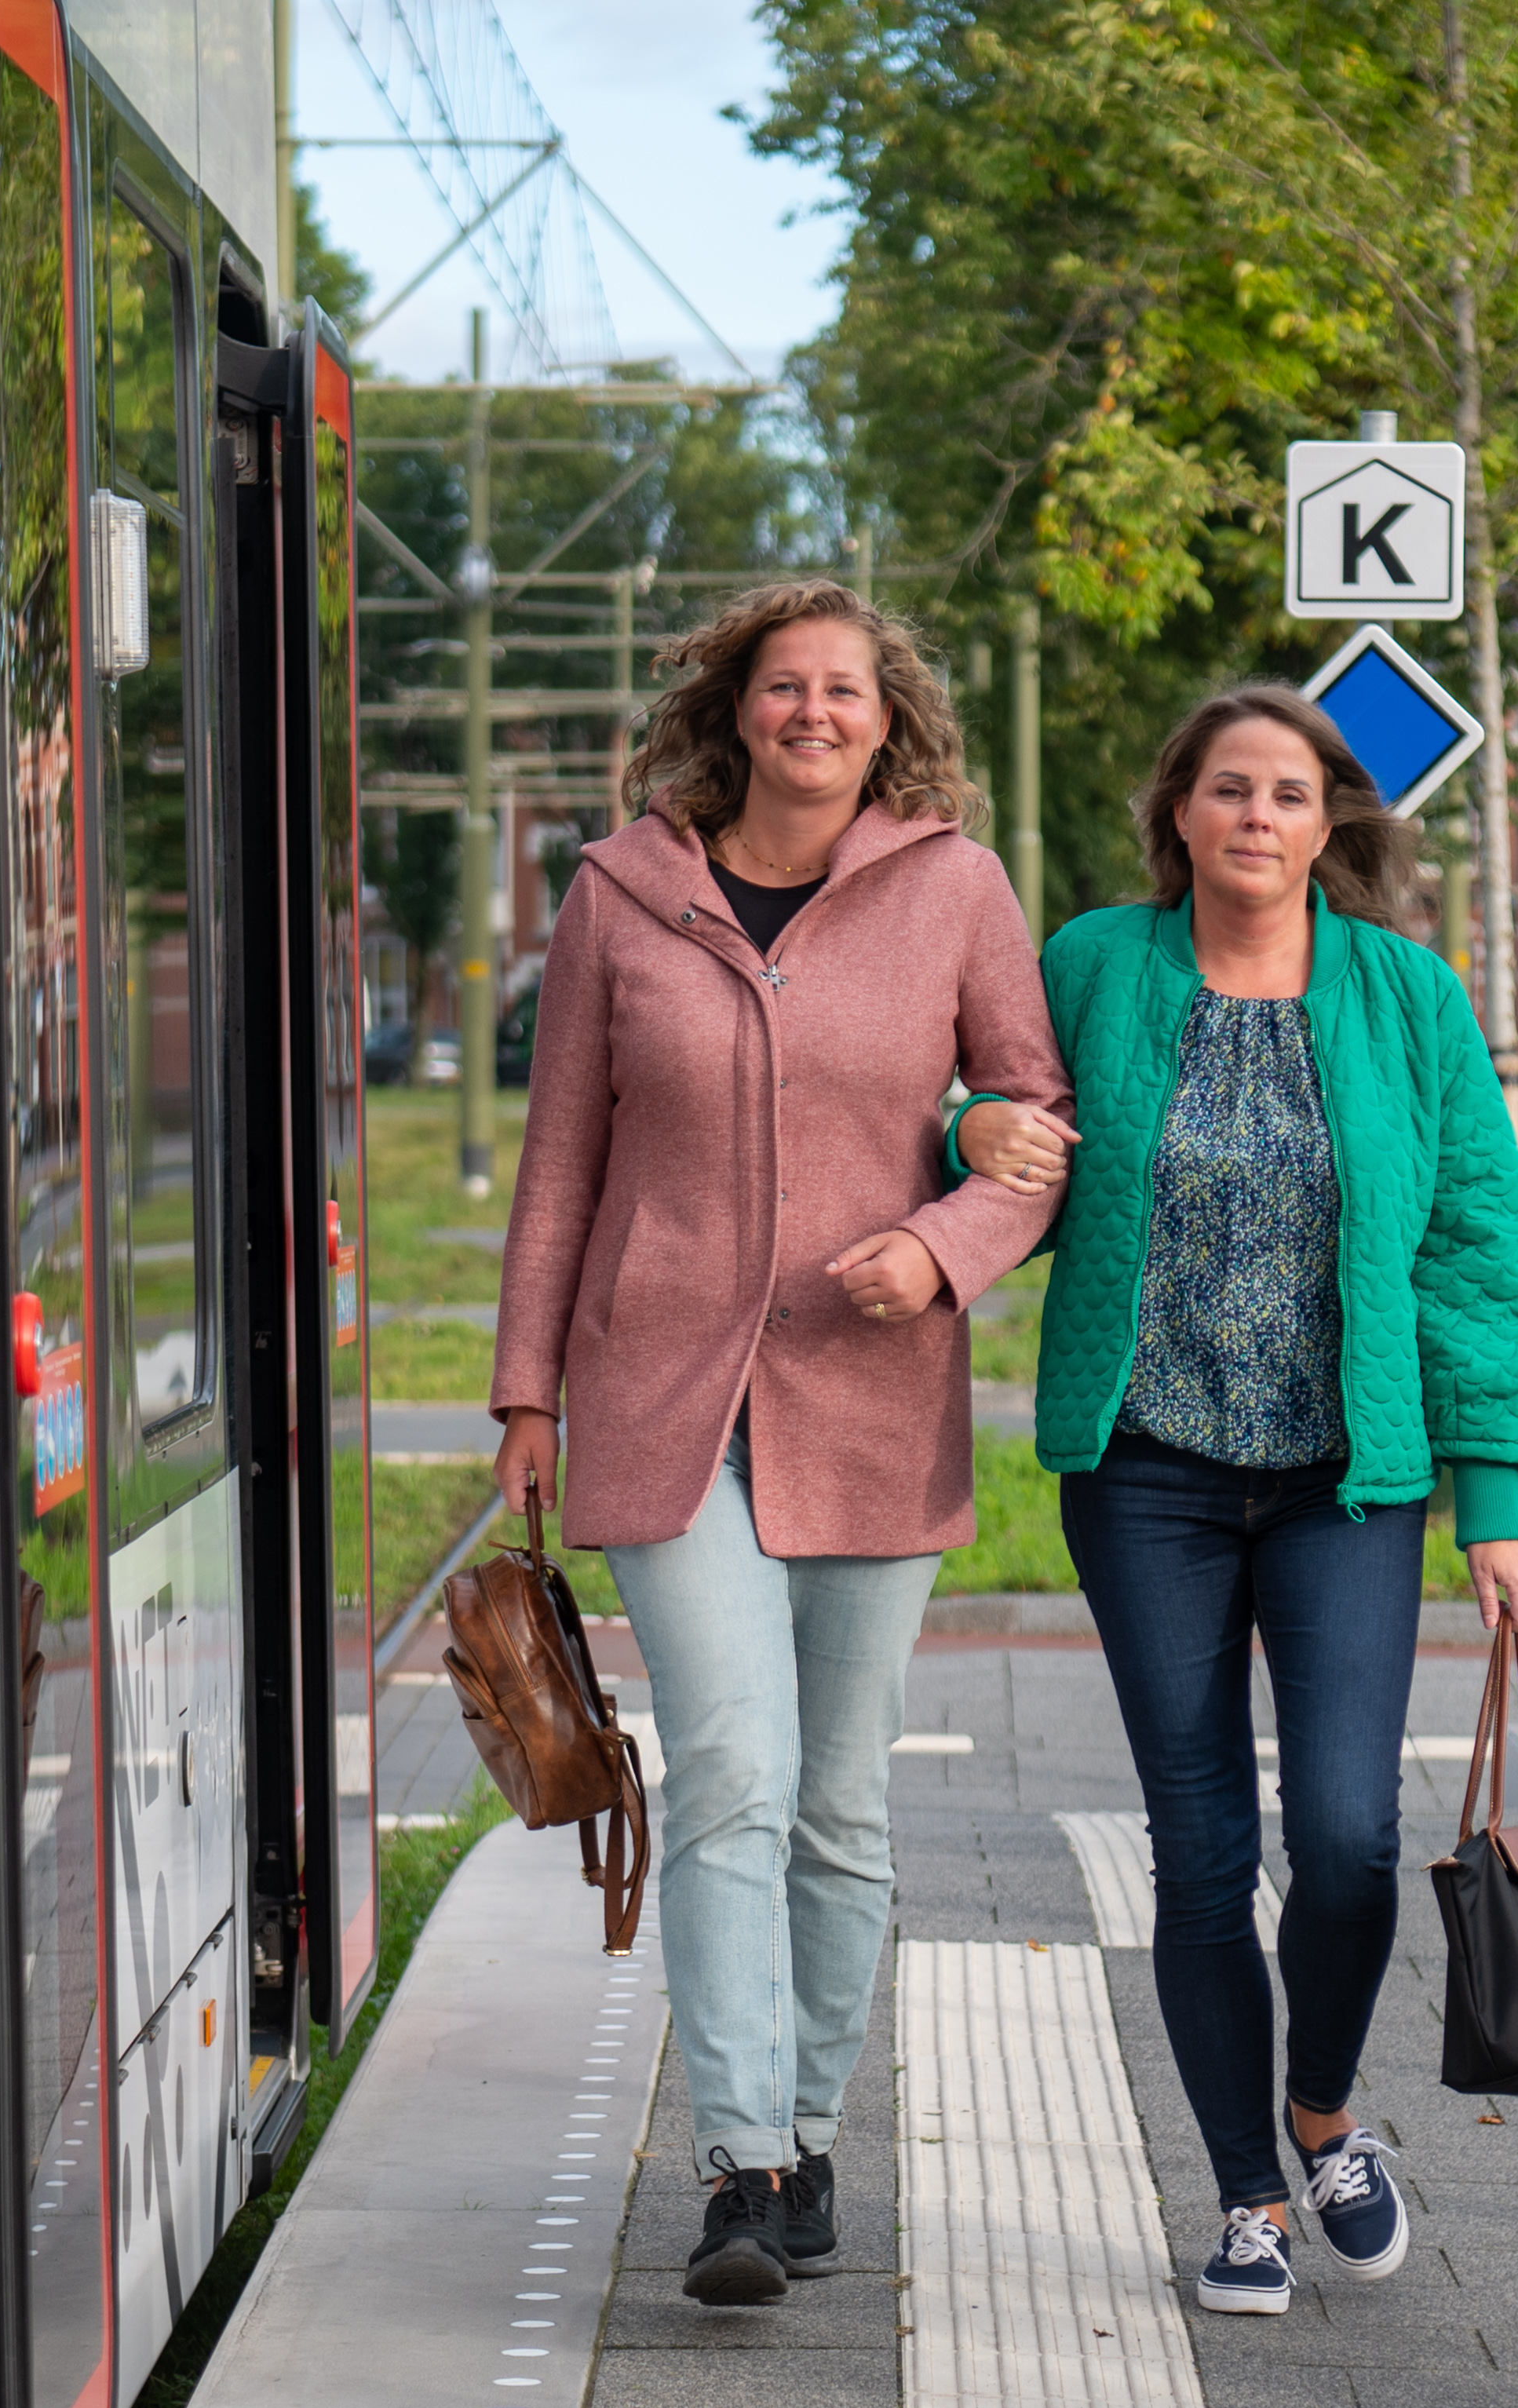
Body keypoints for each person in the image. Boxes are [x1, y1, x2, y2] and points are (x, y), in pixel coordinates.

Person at [491, 578, 1070, 2308]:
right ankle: (739, 2155)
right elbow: (560, 1159)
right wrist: (528, 1390)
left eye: (845, 689)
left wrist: (945, 1249)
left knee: (840, 1799)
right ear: (734, 707)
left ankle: (812, 2131)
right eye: (783, 685)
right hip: (663, 1398)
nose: (813, 711)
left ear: (888, 721)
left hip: (874, 1397)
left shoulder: (957, 887)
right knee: (733, 1767)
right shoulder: (622, 891)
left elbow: (1034, 1128)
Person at [958, 684, 1518, 2315]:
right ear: (1179, 811)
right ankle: (1245, 2196)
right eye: (1228, 787)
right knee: (1202, 1847)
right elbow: (979, 1105)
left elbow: (1478, 1244)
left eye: (1288, 792)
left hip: (1342, 1480)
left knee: (1350, 1837)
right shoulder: (1095, 964)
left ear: (1328, 822)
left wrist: (1495, 1501)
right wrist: (970, 1122)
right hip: (1145, 1468)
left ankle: (1326, 2114)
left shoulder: (1407, 996)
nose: (1256, 816)